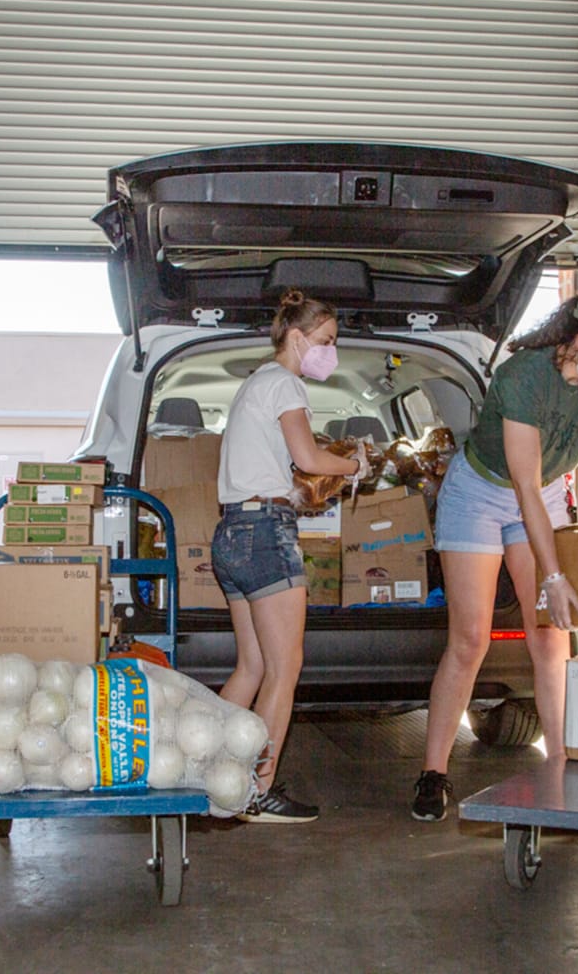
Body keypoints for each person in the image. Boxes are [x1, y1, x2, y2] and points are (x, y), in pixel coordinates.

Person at [411, 291, 578, 822]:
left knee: (550, 634)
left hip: (540, 493)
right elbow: (521, 482)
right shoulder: (521, 376)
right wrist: (555, 573)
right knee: (471, 639)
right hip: (481, 491)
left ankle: (562, 766)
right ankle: (433, 773)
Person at [212, 287, 369, 823]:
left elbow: (279, 466)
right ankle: (257, 791)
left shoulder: (256, 383)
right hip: (264, 535)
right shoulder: (284, 383)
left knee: (252, 665)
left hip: (233, 532)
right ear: (297, 338)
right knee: (285, 668)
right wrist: (356, 465)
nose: (332, 352)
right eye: (325, 341)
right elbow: (307, 456)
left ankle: (204, 768)